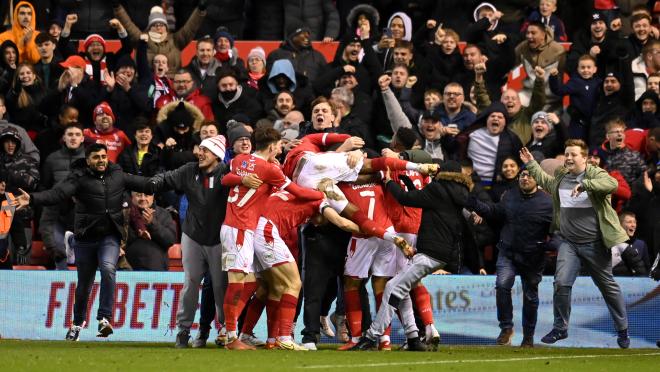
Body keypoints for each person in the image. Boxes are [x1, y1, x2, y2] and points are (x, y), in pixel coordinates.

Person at [15, 143, 159, 341]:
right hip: (85, 238)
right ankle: (76, 324)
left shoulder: (118, 174)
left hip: (110, 236)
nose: (101, 160)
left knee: (108, 268)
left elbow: (146, 183)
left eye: (103, 156)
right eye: (96, 157)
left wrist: (174, 181)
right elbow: (57, 194)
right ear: (88, 160)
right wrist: (31, 199)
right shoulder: (79, 178)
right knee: (84, 284)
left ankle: (104, 319)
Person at [219, 127, 325, 350]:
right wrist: (323, 194)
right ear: (271, 146)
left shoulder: (240, 159)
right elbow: (299, 193)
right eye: (278, 145)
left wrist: (241, 178)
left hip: (240, 226)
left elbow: (225, 179)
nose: (281, 148)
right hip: (240, 227)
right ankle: (230, 337)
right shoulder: (269, 169)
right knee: (237, 282)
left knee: (249, 283)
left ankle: (233, 334)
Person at [350, 160, 473, 351]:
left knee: (392, 286)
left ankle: (371, 336)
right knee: (404, 288)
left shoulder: (438, 189)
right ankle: (414, 337)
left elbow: (405, 199)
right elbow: (420, 197)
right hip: (442, 253)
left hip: (430, 252)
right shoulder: (460, 193)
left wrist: (390, 182)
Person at [519, 140, 631, 349]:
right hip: (569, 243)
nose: (568, 158)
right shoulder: (562, 176)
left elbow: (613, 185)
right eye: (566, 154)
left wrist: (586, 184)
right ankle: (560, 328)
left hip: (595, 244)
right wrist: (532, 164)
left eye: (573, 155)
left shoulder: (595, 174)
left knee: (608, 287)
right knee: (561, 283)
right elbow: (546, 181)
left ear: (584, 158)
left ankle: (622, 330)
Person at [149, 135, 230, 348]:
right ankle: (183, 331)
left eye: (206, 150)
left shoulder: (228, 173)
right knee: (191, 283)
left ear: (218, 155)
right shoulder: (189, 170)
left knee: (221, 286)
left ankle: (224, 329)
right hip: (192, 235)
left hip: (219, 238)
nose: (199, 153)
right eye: (200, 149)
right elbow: (166, 178)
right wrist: (154, 182)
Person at [467, 168, 553, 347]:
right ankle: (506, 327)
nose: (525, 178)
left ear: (538, 180)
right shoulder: (509, 196)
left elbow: (557, 229)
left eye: (530, 175)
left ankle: (528, 336)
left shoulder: (548, 203)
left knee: (530, 297)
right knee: (502, 285)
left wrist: (552, 245)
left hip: (533, 257)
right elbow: (494, 211)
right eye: (523, 175)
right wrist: (474, 203)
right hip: (508, 252)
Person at [39, 123, 85, 269]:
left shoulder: (90, 160)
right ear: (63, 138)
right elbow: (44, 186)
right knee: (59, 250)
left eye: (77, 135)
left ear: (83, 138)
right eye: (70, 134)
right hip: (57, 214)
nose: (73, 138)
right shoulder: (52, 159)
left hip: (82, 218)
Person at [124, 191, 176, 271]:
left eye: (146, 195)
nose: (143, 198)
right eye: (139, 195)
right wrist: (138, 230)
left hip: (156, 269)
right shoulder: (124, 213)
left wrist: (152, 223)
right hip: (129, 269)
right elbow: (121, 240)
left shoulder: (163, 214)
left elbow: (170, 240)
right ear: (132, 197)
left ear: (153, 196)